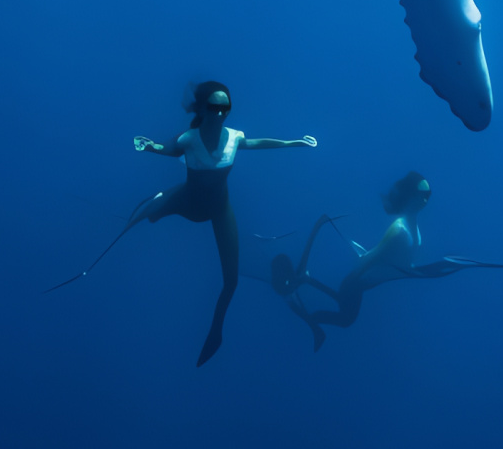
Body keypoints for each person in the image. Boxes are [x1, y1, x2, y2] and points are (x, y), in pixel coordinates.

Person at [49, 82, 317, 366]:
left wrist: (294, 143)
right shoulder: (190, 139)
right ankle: (94, 253)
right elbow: (169, 150)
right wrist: (150, 147)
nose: (221, 114)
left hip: (218, 209)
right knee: (137, 218)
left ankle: (216, 333)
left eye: (226, 108)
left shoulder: (235, 137)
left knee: (232, 280)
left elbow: (258, 143)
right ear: (202, 109)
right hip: (188, 200)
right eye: (214, 108)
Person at [272, 171, 503, 350]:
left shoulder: (411, 227)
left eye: (428, 194)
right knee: (347, 318)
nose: (426, 198)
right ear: (411, 196)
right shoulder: (400, 229)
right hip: (357, 282)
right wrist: (357, 276)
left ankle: (306, 281)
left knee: (345, 312)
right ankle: (304, 307)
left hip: (367, 282)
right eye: (422, 193)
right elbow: (368, 260)